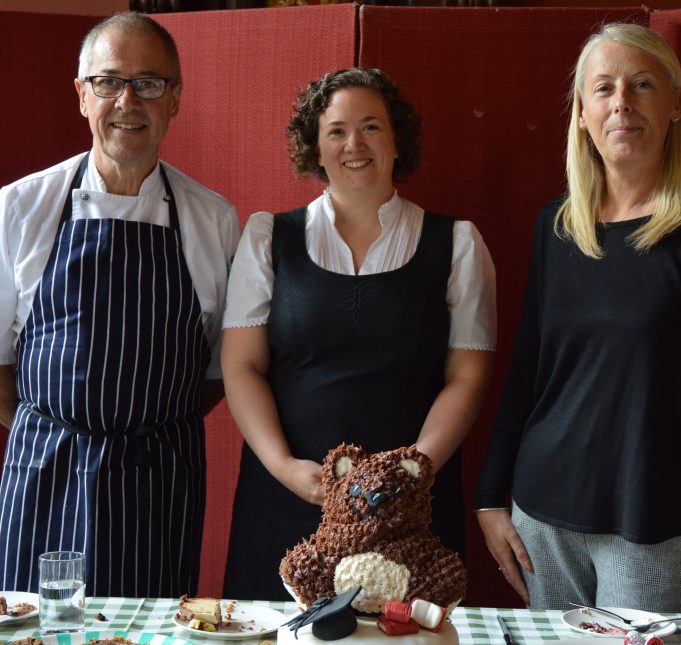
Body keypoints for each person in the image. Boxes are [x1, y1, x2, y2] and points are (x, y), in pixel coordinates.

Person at [222, 68, 496, 601]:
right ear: (316, 148)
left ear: (397, 141)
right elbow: (241, 366)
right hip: (289, 501)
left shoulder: (458, 244)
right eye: (336, 131)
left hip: (413, 512)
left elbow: (468, 377)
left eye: (372, 127)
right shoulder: (266, 238)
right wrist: (284, 468)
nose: (355, 144)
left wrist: (411, 476)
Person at [0, 12, 240, 597]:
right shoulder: (20, 208)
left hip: (158, 479)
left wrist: (144, 428)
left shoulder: (213, 219)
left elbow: (216, 372)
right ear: (82, 96)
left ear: (175, 98)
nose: (127, 101)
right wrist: (61, 427)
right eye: (108, 82)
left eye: (149, 83)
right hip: (45, 473)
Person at [475, 23, 681, 610]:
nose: (622, 103)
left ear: (674, 104)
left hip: (651, 520)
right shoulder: (559, 227)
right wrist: (491, 497)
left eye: (642, 85)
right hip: (544, 514)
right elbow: (529, 371)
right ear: (583, 114)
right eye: (604, 88)